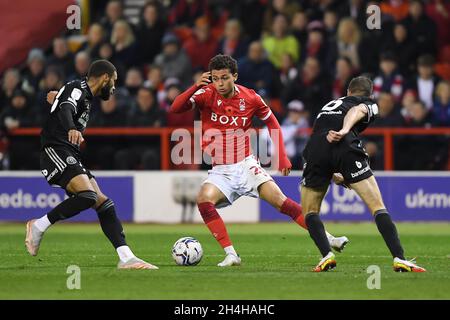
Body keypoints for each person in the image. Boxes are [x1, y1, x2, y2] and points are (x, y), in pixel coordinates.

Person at [170, 54, 348, 267]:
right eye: (215, 78)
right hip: (220, 171)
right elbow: (176, 107)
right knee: (203, 201)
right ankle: (232, 255)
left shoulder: (251, 98)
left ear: (234, 76)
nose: (219, 83)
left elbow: (273, 123)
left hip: (246, 165)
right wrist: (194, 86)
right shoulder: (205, 94)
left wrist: (281, 156)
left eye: (224, 78)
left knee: (283, 204)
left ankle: (330, 239)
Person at [25, 60, 157, 270]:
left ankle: (126, 258)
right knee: (87, 196)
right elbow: (66, 107)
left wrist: (56, 99)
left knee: (104, 204)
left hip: (70, 152)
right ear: (105, 77)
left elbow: (64, 102)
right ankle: (38, 226)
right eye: (113, 81)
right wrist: (71, 127)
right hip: (55, 149)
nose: (113, 88)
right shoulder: (78, 87)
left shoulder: (84, 96)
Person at [300, 76, 426, 273]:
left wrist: (334, 174)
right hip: (345, 145)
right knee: (377, 206)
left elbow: (322, 145)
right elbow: (357, 110)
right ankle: (399, 258)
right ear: (370, 94)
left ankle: (326, 255)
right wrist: (344, 130)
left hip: (315, 150)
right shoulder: (367, 103)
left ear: (348, 91)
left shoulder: (328, 105)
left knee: (310, 212)